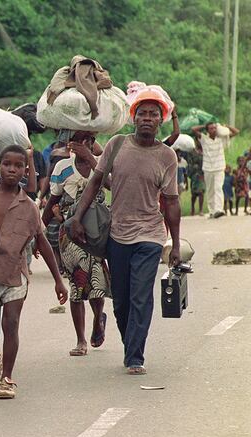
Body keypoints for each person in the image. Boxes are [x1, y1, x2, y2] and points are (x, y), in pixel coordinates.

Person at [68, 99, 182, 375]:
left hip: (150, 235)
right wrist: (77, 216)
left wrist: (175, 243)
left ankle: (135, 356)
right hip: (117, 234)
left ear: (160, 121)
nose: (146, 118)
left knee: (141, 295)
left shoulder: (167, 156)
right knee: (120, 299)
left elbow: (171, 201)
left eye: (153, 114)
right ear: (133, 118)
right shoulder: (116, 145)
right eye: (141, 113)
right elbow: (96, 181)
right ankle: (130, 342)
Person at [0, 145, 67, 399]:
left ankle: (7, 378)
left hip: (15, 275)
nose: (12, 169)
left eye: (18, 165)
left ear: (25, 170)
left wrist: (58, 281)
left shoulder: (29, 205)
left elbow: (41, 242)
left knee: (11, 324)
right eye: (7, 164)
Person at [42, 130, 109, 358]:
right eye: (78, 140)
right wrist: (37, 233)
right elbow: (53, 198)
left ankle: (98, 319)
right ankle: (80, 340)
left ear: (93, 142)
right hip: (70, 235)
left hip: (96, 233)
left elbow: (111, 185)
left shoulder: (100, 163)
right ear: (70, 144)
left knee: (97, 284)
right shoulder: (62, 168)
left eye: (88, 140)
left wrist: (91, 159)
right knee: (76, 286)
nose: (83, 144)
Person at [192, 122, 240, 218]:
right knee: (210, 190)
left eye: (215, 128)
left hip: (219, 168)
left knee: (218, 188)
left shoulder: (221, 139)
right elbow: (193, 129)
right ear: (207, 130)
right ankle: (212, 211)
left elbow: (236, 132)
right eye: (211, 128)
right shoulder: (204, 138)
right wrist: (204, 125)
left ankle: (218, 209)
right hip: (208, 168)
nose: (214, 130)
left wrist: (225, 126)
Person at [185, 148, 205, 216]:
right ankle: (192, 208)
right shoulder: (191, 151)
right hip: (194, 175)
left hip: (201, 175)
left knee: (201, 192)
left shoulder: (205, 151)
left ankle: (201, 210)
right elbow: (189, 163)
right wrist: (193, 167)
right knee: (194, 194)